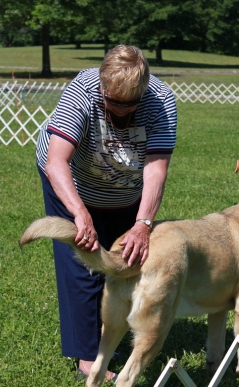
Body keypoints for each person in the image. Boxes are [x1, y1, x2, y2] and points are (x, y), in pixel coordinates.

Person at [35, 45, 177, 380]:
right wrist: (80, 215)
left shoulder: (161, 101)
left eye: (131, 104)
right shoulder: (82, 92)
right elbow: (57, 162)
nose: (123, 112)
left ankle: (109, 336)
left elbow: (156, 170)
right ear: (102, 87)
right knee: (84, 262)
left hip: (126, 189)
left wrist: (143, 224)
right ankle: (87, 357)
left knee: (121, 262)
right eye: (114, 103)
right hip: (73, 183)